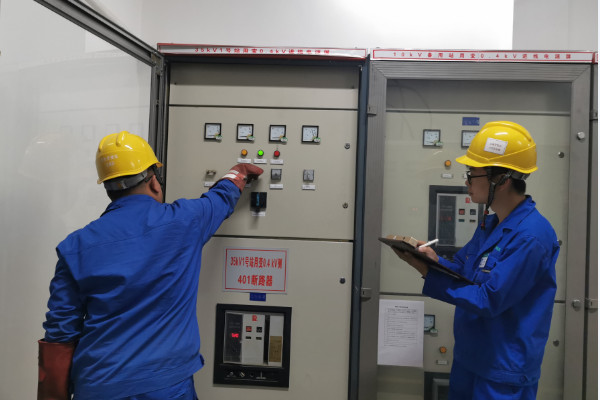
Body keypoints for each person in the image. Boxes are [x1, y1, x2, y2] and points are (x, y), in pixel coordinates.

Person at [37, 131, 263, 400]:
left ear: (108, 188)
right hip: (166, 386)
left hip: (99, 385)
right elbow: (220, 199)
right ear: (154, 182)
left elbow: (60, 333)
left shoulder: (75, 247)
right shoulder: (186, 222)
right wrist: (239, 172)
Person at [392, 121, 559, 400]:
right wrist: (432, 260)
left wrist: (426, 272)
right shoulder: (491, 225)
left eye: (472, 174)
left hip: (502, 372)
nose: (467, 182)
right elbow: (464, 271)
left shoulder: (531, 236)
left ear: (501, 179)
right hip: (470, 360)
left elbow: (489, 299)